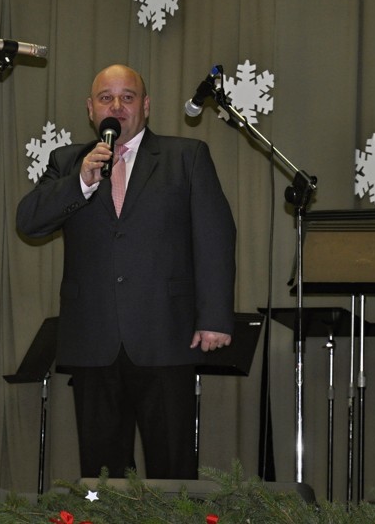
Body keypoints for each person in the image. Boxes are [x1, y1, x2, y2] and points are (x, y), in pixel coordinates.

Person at [16, 64, 236, 480]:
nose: (116, 106)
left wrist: (214, 317)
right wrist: (81, 182)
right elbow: (29, 221)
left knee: (173, 475)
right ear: (90, 109)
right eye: (106, 98)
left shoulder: (186, 157)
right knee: (102, 477)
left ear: (145, 106)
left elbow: (215, 236)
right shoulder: (68, 162)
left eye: (127, 97)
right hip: (93, 339)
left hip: (166, 336)